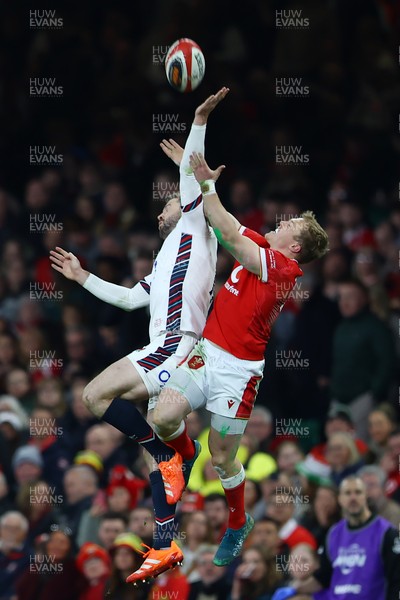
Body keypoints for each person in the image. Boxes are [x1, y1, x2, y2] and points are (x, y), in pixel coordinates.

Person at [128, 150, 329, 581]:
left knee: (223, 460)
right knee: (162, 417)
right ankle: (183, 455)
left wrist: (205, 182)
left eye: (288, 226)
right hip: (207, 353)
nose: (280, 223)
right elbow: (226, 222)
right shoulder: (262, 244)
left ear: (295, 246)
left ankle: (239, 522)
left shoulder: (284, 269)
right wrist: (195, 172)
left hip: (239, 372)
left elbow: (225, 230)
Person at [49, 89, 226, 560]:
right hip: (167, 347)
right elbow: (130, 298)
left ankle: (174, 455)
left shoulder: (196, 228)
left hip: (176, 344)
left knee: (93, 395)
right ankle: (165, 543)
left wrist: (199, 121)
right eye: (167, 204)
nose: (165, 206)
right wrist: (82, 275)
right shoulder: (166, 255)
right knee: (151, 444)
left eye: (172, 200)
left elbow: (193, 181)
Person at [271, 476, 400, 600]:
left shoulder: (386, 532)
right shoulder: (333, 534)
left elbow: (396, 579)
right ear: (340, 499)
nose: (353, 498)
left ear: (365, 496)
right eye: (347, 493)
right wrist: (294, 589)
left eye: (358, 492)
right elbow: (323, 578)